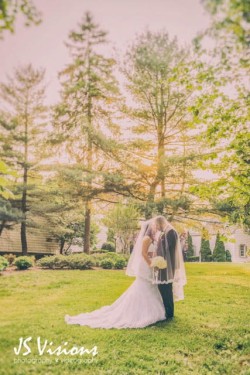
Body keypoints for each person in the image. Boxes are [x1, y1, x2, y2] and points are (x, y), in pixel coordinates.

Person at [64, 216, 186, 328]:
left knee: (154, 288)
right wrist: (151, 263)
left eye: (155, 226)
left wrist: (155, 260)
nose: (155, 229)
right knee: (145, 287)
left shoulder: (160, 236)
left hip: (153, 265)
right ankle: (144, 312)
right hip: (147, 266)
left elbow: (155, 252)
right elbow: (143, 253)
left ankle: (161, 310)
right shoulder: (147, 238)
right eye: (153, 227)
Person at [142, 215, 186, 319]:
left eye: (157, 225)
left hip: (167, 265)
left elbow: (167, 250)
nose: (156, 227)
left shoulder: (170, 232)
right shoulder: (166, 231)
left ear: (160, 223)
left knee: (166, 289)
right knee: (163, 288)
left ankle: (169, 314)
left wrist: (159, 261)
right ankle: (166, 311)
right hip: (164, 264)